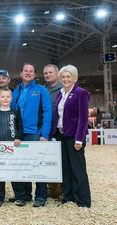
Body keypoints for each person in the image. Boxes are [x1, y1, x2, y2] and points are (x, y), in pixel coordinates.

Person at [11, 63, 52, 207]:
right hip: (19, 134)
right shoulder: (15, 91)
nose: (28, 73)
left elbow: (48, 112)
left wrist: (44, 134)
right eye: (25, 71)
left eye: (31, 71)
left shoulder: (41, 91)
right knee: (22, 166)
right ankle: (25, 195)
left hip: (35, 133)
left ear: (34, 75)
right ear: (21, 73)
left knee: (38, 166)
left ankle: (41, 196)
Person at [51, 65, 91, 208]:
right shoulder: (60, 93)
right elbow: (57, 115)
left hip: (75, 136)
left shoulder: (81, 93)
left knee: (78, 169)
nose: (66, 79)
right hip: (61, 135)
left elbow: (83, 118)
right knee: (65, 169)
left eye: (69, 76)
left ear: (74, 78)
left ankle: (83, 201)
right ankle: (68, 198)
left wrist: (79, 138)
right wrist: (53, 134)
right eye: (63, 77)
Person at [0, 88, 23, 208]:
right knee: (0, 173)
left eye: (8, 97)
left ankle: (19, 197)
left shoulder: (15, 113)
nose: (5, 99)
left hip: (13, 147)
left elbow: (20, 127)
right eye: (3, 97)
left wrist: (18, 137)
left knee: (14, 172)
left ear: (11, 99)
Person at [43, 64, 63, 200]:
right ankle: (53, 190)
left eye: (50, 72)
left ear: (57, 73)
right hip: (47, 130)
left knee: (63, 161)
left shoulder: (63, 88)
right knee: (48, 160)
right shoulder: (43, 89)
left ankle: (65, 189)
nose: (48, 75)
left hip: (60, 130)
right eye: (45, 73)